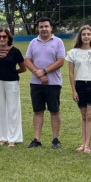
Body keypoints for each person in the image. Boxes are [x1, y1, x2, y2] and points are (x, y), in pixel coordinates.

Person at [24, 17, 66, 149]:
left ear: (51, 27)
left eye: (46, 26)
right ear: (38, 28)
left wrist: (44, 71)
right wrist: (38, 73)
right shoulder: (33, 42)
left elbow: (60, 61)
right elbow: (27, 60)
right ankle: (37, 139)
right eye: (41, 27)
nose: (44, 29)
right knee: (38, 111)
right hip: (36, 83)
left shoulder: (58, 42)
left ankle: (55, 139)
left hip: (53, 83)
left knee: (54, 111)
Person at [66, 26, 91, 154]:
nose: (86, 36)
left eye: (89, 34)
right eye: (84, 34)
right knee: (83, 116)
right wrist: (74, 90)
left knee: (90, 115)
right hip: (80, 85)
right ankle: (83, 143)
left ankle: (87, 145)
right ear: (80, 37)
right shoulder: (73, 52)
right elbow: (71, 73)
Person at [0, 28, 26, 147]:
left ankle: (13, 138)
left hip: (12, 83)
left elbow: (23, 68)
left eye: (4, 37)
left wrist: (12, 72)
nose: (2, 38)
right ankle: (1, 137)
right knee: (0, 108)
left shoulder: (15, 51)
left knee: (13, 110)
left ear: (8, 38)